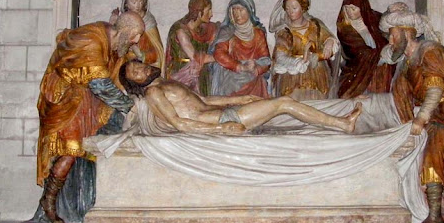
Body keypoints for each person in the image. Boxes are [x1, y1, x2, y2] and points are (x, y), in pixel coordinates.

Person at [35, 12, 145, 223]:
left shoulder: (113, 41)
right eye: (135, 35)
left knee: (104, 142)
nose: (136, 41)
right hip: (67, 99)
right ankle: (48, 202)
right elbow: (100, 84)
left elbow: (118, 70)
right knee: (69, 151)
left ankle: (92, 199)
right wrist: (132, 107)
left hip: (88, 102)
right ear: (125, 31)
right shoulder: (91, 39)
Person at [379, 8, 444, 223]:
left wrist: (421, 118)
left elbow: (435, 87)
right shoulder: (406, 62)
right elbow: (402, 96)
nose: (390, 40)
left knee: (433, 161)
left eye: (393, 34)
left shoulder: (429, 51)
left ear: (407, 32)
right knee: (434, 164)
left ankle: (436, 216)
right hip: (435, 117)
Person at [120, 61, 362, 135]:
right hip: (223, 119)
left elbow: (203, 100)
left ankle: (338, 122)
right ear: (135, 84)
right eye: (135, 73)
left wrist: (241, 98)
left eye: (138, 66)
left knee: (282, 107)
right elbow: (179, 123)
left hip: (225, 112)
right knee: (283, 103)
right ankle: (342, 124)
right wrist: (221, 129)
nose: (141, 69)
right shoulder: (154, 92)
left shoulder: (164, 83)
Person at [269, 0, 339, 100]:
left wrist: (329, 43)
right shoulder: (285, 31)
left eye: (294, 8)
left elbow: (328, 38)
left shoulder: (315, 25)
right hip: (292, 75)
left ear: (303, 8)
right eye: (287, 8)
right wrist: (301, 61)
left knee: (317, 102)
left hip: (317, 71)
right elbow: (280, 57)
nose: (290, 11)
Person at [209, 0, 271, 98]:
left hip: (252, 73)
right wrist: (240, 67)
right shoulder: (227, 32)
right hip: (232, 73)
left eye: (241, 10)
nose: (237, 14)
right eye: (234, 10)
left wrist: (257, 68)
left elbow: (265, 58)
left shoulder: (258, 33)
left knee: (258, 81)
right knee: (232, 84)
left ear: (250, 11)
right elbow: (219, 54)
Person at [336, 0, 393, 99]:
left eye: (353, 8)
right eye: (347, 8)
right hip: (358, 68)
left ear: (362, 8)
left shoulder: (374, 19)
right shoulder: (345, 29)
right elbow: (358, 51)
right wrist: (382, 55)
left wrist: (392, 10)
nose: (349, 12)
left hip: (380, 67)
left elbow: (387, 23)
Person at [165, 0, 219, 96]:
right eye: (209, 10)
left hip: (201, 73)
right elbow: (195, 57)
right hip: (184, 74)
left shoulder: (205, 28)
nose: (211, 14)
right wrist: (221, 57)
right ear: (199, 13)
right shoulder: (181, 30)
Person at [110, 0, 165, 74]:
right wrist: (113, 22)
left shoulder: (148, 21)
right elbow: (115, 45)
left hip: (143, 64)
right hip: (124, 61)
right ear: (126, 4)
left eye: (140, 2)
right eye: (134, 2)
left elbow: (156, 51)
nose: (138, 5)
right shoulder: (123, 19)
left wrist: (139, 54)